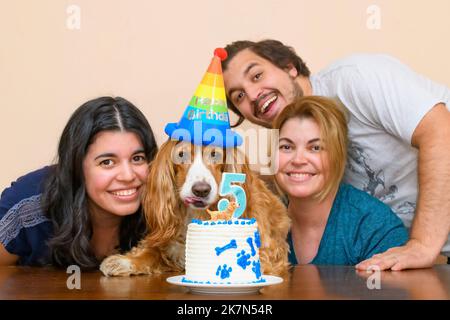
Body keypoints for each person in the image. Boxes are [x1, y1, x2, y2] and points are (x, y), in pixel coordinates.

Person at [221, 39, 450, 270]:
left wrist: (422, 244)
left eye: (257, 76)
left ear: (289, 67)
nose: (251, 95)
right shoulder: (287, 195)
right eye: (238, 96)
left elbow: (442, 132)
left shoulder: (354, 79)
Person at [0, 96, 157, 268]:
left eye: (137, 158)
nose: (127, 176)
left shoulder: (165, 208)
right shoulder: (27, 206)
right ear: (76, 166)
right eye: (107, 162)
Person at [274, 96, 408, 265]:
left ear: (338, 156)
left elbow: (390, 290)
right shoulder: (260, 222)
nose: (298, 159)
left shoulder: (374, 226)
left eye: (316, 148)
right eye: (286, 147)